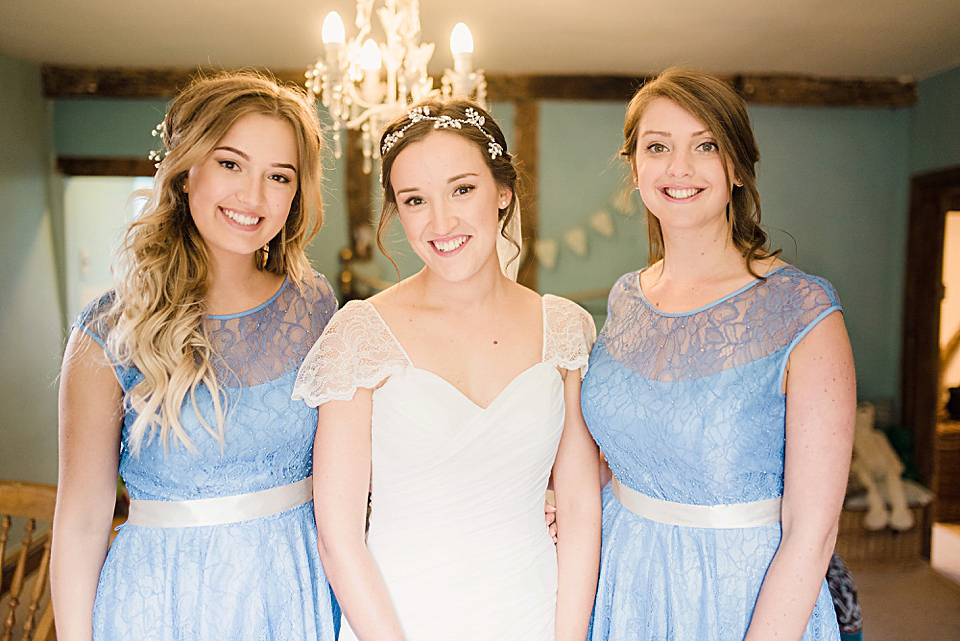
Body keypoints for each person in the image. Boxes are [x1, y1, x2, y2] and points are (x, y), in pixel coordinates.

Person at [293, 99, 602, 641]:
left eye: (462, 189)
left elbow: (578, 507)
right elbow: (338, 537)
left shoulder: (565, 330)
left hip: (535, 612)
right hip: (401, 618)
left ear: (502, 193)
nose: (441, 222)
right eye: (415, 200)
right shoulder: (360, 334)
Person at [51, 71, 339, 641]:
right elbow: (82, 523)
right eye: (231, 164)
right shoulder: (110, 330)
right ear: (187, 171)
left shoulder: (316, 308)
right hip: (163, 602)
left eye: (278, 176)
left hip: (297, 591)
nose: (252, 197)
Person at [581, 67, 856, 640]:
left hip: (738, 598)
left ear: (735, 166)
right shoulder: (625, 298)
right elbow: (629, 445)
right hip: (622, 581)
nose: (678, 168)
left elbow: (814, 533)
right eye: (657, 147)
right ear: (635, 168)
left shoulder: (804, 311)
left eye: (704, 145)